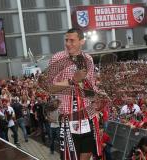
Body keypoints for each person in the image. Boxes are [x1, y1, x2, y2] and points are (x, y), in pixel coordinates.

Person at [38, 28, 105, 160]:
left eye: (72, 40)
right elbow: (50, 88)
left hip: (87, 118)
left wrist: (98, 98)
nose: (68, 43)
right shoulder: (58, 58)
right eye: (66, 40)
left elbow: (90, 88)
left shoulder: (88, 59)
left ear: (82, 41)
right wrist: (72, 80)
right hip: (68, 119)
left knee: (86, 155)